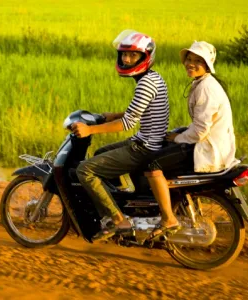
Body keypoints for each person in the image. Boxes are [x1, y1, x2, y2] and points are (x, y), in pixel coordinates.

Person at [71, 30, 169, 240]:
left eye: (132, 55)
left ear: (145, 57)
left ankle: (118, 220)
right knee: (101, 152)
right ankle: (122, 205)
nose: (126, 59)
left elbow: (127, 123)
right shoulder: (153, 77)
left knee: (85, 170)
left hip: (143, 148)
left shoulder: (145, 83)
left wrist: (90, 130)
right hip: (148, 142)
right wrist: (110, 115)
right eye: (124, 54)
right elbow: (138, 111)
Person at [145, 41, 236, 240]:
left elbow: (201, 131)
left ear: (207, 65)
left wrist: (178, 137)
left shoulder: (206, 89)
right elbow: (199, 125)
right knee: (165, 146)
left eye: (197, 61)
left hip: (206, 148)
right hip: (207, 143)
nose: (190, 63)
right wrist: (177, 133)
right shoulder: (204, 83)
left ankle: (168, 218)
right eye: (189, 59)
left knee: (152, 164)